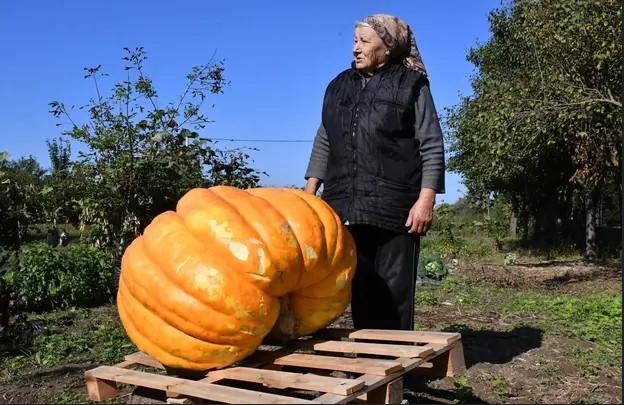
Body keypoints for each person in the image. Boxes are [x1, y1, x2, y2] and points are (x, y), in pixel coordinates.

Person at [303, 14, 445, 330]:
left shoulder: (411, 85)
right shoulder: (339, 86)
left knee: (394, 294)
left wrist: (426, 200)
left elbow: (432, 143)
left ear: (388, 47)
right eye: (354, 40)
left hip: (397, 209)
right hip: (344, 205)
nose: (356, 48)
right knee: (361, 288)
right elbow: (325, 138)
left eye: (364, 41)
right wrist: (308, 196)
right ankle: (368, 367)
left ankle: (397, 368)